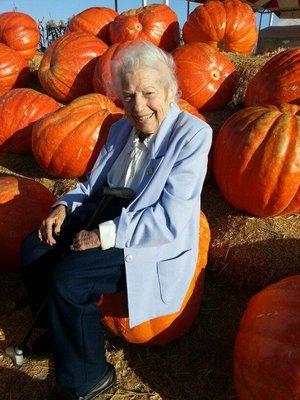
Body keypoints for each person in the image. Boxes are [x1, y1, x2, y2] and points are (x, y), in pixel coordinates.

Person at [21, 40, 212, 400]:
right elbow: (92, 185)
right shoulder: (120, 129)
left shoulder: (194, 135)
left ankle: (91, 377)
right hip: (105, 209)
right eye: (128, 96)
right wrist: (62, 206)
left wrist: (101, 236)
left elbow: (168, 220)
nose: (138, 107)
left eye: (149, 93)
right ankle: (56, 330)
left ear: (171, 90)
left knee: (70, 278)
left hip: (147, 233)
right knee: (34, 248)